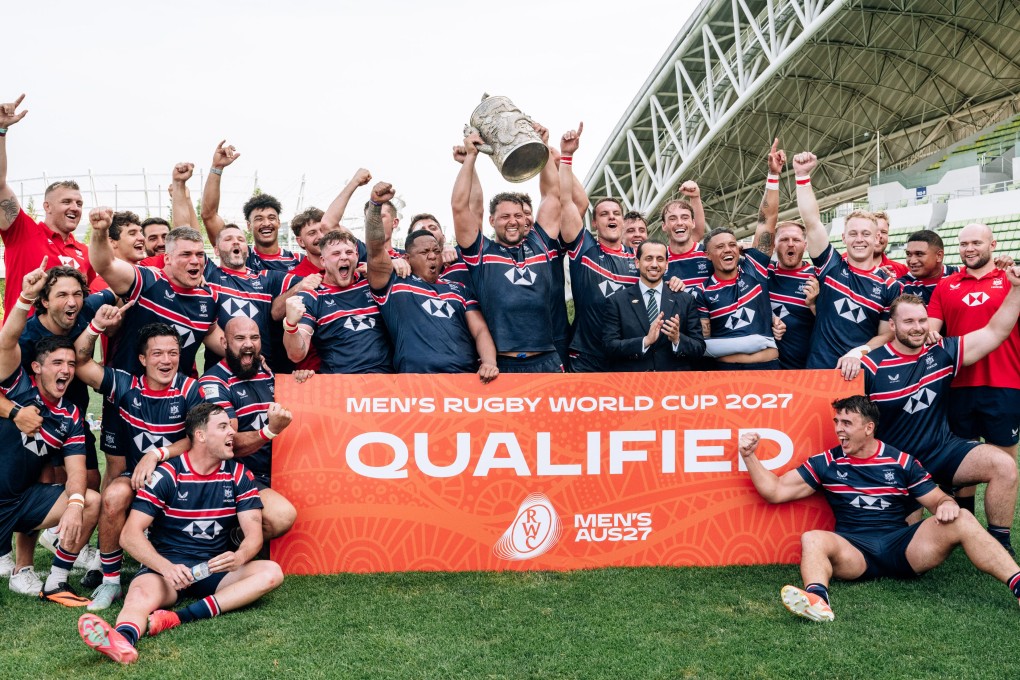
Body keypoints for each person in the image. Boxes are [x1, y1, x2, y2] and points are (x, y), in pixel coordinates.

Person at [739, 396, 1020, 622]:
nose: (839, 429)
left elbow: (937, 500)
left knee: (963, 518)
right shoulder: (826, 462)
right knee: (812, 538)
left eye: (847, 423)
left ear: (868, 428)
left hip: (902, 549)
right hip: (854, 551)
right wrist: (749, 456)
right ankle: (818, 601)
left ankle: (1017, 584)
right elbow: (774, 491)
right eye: (837, 422)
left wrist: (946, 505)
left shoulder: (901, 462)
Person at [77, 403, 283, 665]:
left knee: (271, 572)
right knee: (139, 594)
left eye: (229, 426)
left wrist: (240, 556)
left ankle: (178, 617)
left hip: (213, 569)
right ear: (200, 436)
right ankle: (123, 641)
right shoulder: (168, 474)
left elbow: (253, 535)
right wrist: (166, 567)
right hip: (168, 569)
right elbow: (129, 535)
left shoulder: (239, 474)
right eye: (222, 427)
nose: (232, 432)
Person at [862, 286, 1020, 554]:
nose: (917, 327)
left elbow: (995, 331)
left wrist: (1016, 288)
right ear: (892, 324)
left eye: (922, 320)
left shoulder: (942, 351)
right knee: (902, 545)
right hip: (899, 466)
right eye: (909, 321)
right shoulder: (871, 366)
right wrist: (854, 354)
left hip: (942, 451)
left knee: (1003, 465)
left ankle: (999, 544)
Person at [74, 320, 205, 611]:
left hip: (179, 479)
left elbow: (198, 437)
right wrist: (96, 324)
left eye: (173, 353)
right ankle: (110, 581)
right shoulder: (125, 385)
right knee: (113, 495)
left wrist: (158, 454)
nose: (167, 360)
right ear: (143, 359)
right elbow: (80, 360)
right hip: (137, 479)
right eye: (157, 353)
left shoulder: (190, 389)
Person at [0, 260, 100, 605]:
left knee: (90, 493)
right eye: (58, 363)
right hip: (4, 478)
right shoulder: (20, 374)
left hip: (24, 493)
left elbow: (76, 472)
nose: (67, 370)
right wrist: (25, 297)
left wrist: (74, 505)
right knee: (34, 477)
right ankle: (13, 560)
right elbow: (6, 342)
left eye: (71, 364)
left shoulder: (69, 415)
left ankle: (55, 571)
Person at [451, 130, 563, 373]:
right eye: (504, 217)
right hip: (500, 365)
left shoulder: (541, 243)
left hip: (546, 359)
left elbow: (552, 195)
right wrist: (471, 157)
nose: (512, 221)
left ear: (526, 220)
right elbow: (460, 207)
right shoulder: (480, 252)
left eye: (517, 216)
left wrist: (543, 146)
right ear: (492, 221)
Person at [363, 181, 498, 380]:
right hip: (415, 382)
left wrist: (489, 362)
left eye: (436, 251)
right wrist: (374, 206)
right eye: (424, 252)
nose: (433, 256)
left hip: (464, 379)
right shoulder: (393, 285)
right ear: (407, 258)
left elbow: (479, 329)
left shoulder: (459, 289)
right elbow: (375, 249)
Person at [928, 223, 1020, 513]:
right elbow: (933, 328)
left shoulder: (1011, 280)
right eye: (964, 244)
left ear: (992, 245)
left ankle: (998, 538)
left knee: (1005, 463)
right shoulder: (946, 285)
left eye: (976, 243)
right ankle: (963, 527)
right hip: (957, 385)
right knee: (960, 462)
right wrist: (930, 334)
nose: (969, 249)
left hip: (1005, 383)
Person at [794, 151, 900, 375]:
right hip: (818, 372)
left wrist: (858, 352)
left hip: (860, 374)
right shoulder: (831, 266)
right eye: (853, 233)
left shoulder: (889, 286)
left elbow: (887, 334)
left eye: (865, 234)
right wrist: (802, 176)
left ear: (876, 238)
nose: (859, 239)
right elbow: (812, 222)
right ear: (843, 238)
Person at [200, 316, 298, 541]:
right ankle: (227, 539)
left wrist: (300, 381)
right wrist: (269, 432)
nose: (248, 344)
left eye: (254, 338)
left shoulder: (265, 372)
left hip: (276, 468)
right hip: (235, 473)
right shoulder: (214, 383)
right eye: (240, 338)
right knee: (282, 517)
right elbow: (227, 444)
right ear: (224, 342)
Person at [0, 94, 96, 316]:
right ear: (47, 206)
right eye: (66, 201)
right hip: (23, 346)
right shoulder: (22, 232)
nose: (75, 207)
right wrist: (2, 132)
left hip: (66, 349)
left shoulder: (86, 253)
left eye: (79, 203)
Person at [556, 124, 638, 372]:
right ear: (594, 222)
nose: (611, 218)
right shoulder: (585, 249)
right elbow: (566, 201)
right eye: (604, 214)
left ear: (623, 222)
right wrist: (566, 156)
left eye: (616, 213)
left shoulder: (639, 259)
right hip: (587, 356)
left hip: (628, 355)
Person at [283, 229, 393, 373]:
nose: (344, 258)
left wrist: (396, 264)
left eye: (349, 252)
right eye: (336, 253)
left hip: (385, 383)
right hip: (342, 385)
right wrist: (290, 325)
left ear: (357, 256)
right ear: (323, 261)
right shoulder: (312, 296)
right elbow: (296, 355)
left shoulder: (373, 284)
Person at [200, 140, 301, 272]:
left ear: (278, 223)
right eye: (259, 219)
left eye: (271, 218)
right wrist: (217, 168)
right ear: (248, 225)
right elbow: (209, 215)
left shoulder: (298, 260)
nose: (266, 223)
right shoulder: (239, 253)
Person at [603, 241, 704, 371]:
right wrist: (644, 341)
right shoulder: (617, 301)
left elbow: (699, 348)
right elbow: (609, 346)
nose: (654, 264)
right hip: (632, 385)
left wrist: (677, 339)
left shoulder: (686, 300)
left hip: (674, 384)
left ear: (667, 264)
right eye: (649, 258)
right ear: (637, 262)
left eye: (660, 259)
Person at [768, 221, 819, 369]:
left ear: (805, 244)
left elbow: (831, 325)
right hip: (769, 368)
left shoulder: (816, 277)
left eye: (796, 240)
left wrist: (814, 305)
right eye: (784, 239)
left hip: (805, 369)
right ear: (775, 244)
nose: (790, 244)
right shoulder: (764, 273)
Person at [662, 182, 710, 289]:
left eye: (684, 217)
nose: (679, 223)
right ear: (664, 226)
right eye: (672, 218)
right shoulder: (658, 260)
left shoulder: (709, 255)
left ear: (693, 223)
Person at [896, 229, 958, 304]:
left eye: (919, 254)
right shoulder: (900, 286)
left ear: (939, 256)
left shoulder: (961, 276)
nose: (912, 261)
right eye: (908, 254)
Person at [90, 211, 147, 292]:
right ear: (112, 242)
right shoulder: (100, 285)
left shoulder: (151, 272)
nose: (142, 238)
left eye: (141, 232)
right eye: (132, 233)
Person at [872, 211, 909, 278]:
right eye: (874, 231)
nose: (879, 235)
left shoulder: (902, 270)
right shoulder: (848, 267)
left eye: (884, 232)